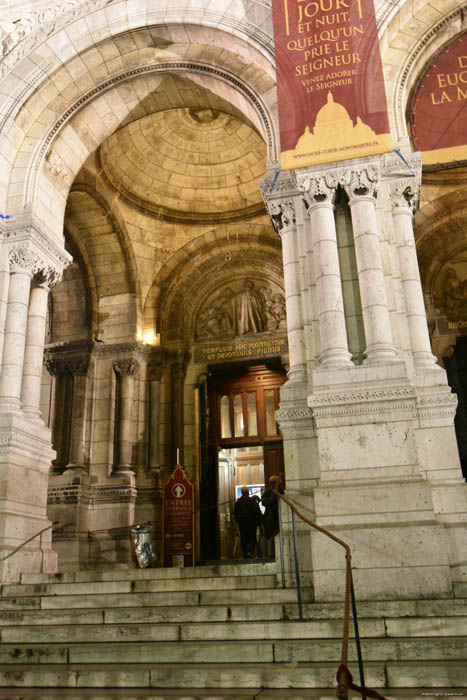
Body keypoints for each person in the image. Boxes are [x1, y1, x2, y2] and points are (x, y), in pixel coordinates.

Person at [234, 486, 262, 559]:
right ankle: (251, 552)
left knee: (243, 538)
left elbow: (235, 514)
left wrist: (238, 521)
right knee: (252, 538)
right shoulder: (252, 501)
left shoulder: (238, 502)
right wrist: (259, 522)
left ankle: (245, 554)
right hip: (252, 524)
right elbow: (257, 512)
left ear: (242, 492)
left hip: (242, 524)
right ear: (248, 492)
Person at [261, 475, 282, 558]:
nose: (273, 484)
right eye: (272, 483)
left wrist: (277, 491)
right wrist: (274, 493)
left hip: (280, 518)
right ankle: (272, 554)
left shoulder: (282, 492)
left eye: (275, 483)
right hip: (271, 520)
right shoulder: (267, 492)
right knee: (271, 538)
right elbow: (265, 502)